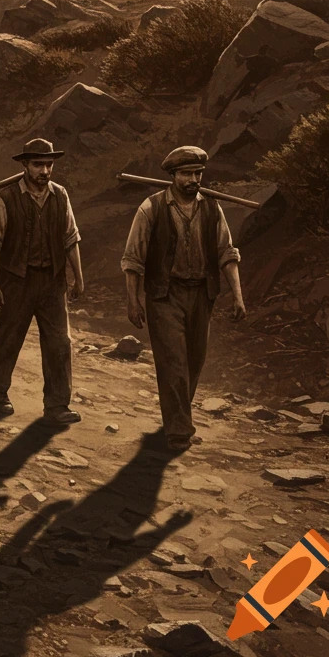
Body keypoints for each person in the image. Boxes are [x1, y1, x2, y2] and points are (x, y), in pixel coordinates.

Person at [121, 146, 246, 452]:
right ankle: (179, 430)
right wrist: (133, 300)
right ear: (173, 176)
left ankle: (177, 417)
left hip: (201, 294)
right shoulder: (151, 208)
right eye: (187, 174)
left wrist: (238, 297)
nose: (193, 179)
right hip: (165, 294)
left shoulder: (212, 209)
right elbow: (133, 259)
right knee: (173, 362)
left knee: (194, 361)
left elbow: (226, 254)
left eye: (198, 173)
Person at [0, 137, 84, 421]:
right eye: (38, 164)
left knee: (60, 343)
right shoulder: (7, 198)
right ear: (25, 165)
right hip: (15, 281)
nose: (45, 170)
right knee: (8, 338)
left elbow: (70, 238)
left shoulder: (60, 195)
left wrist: (78, 277)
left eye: (49, 164)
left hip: (52, 282)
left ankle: (57, 405)